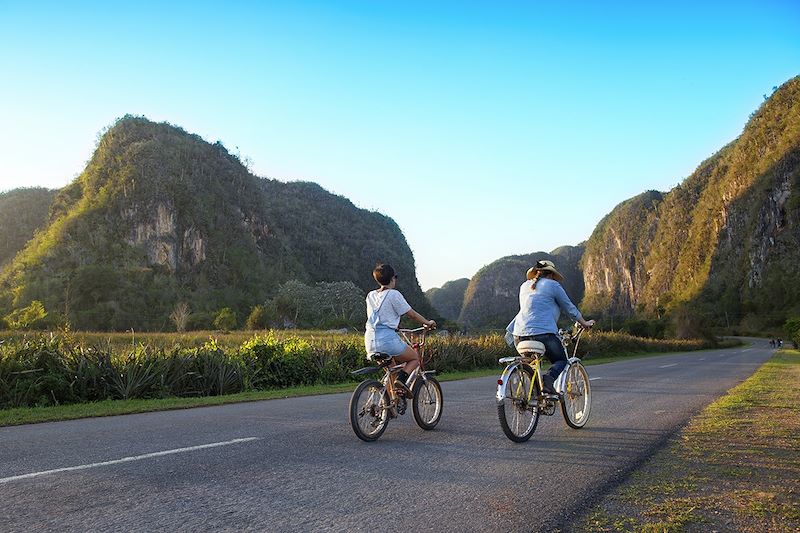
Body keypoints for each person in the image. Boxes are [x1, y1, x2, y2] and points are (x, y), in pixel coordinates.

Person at [506, 260, 595, 394]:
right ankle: (548, 380)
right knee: (560, 360)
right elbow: (569, 308)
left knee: (531, 365)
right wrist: (585, 323)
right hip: (544, 334)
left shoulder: (524, 286)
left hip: (519, 335)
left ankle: (534, 394)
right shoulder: (553, 285)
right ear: (552, 275)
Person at [364, 263, 436, 395]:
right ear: (392, 278)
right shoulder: (393, 294)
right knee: (414, 359)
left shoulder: (370, 295)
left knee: (392, 370)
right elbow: (412, 314)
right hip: (387, 340)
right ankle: (402, 380)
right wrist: (428, 322)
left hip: (370, 340)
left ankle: (391, 405)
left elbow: (380, 315)